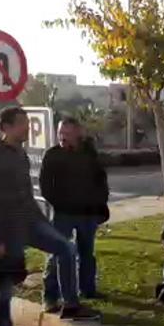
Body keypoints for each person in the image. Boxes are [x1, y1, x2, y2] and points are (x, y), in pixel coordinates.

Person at [0, 108, 100, 326]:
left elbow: (26, 193)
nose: (28, 128)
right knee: (4, 287)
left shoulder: (20, 154)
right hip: (7, 229)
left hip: (32, 222)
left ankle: (71, 304)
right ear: (6, 127)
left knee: (66, 248)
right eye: (23, 124)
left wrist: (42, 220)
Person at [40, 118, 109, 300]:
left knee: (87, 254)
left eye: (68, 134)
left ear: (79, 134)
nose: (63, 137)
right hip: (63, 214)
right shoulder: (52, 155)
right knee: (57, 255)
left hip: (88, 214)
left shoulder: (89, 154)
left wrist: (101, 204)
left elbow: (100, 180)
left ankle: (87, 289)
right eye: (60, 133)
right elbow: (46, 186)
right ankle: (50, 296)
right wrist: (61, 204)